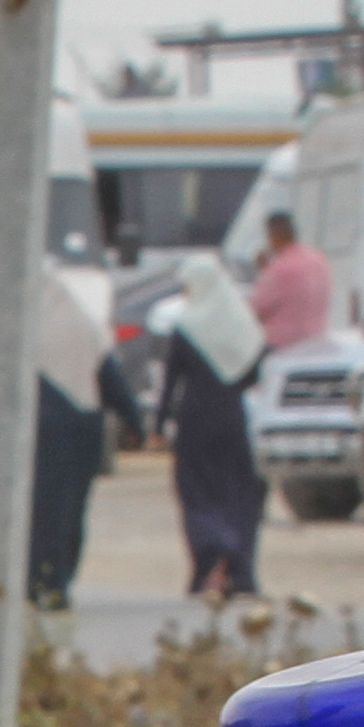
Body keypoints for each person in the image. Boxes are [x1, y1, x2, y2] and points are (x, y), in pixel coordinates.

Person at [154, 251, 267, 601]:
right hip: (233, 418)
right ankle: (239, 566)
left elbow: (171, 381)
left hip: (194, 419)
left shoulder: (187, 327)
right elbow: (254, 374)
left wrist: (158, 424)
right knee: (237, 490)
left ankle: (207, 560)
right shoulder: (241, 323)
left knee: (198, 491)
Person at [26, 262, 113, 609]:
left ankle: (39, 580)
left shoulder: (29, 327)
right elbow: (110, 374)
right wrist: (136, 424)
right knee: (70, 511)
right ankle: (61, 578)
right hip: (83, 429)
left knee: (39, 512)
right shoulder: (81, 320)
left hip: (41, 434)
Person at [246, 206, 336, 361]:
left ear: (272, 235)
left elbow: (256, 309)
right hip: (315, 341)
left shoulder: (280, 268)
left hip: (282, 346)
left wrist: (264, 273)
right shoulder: (318, 260)